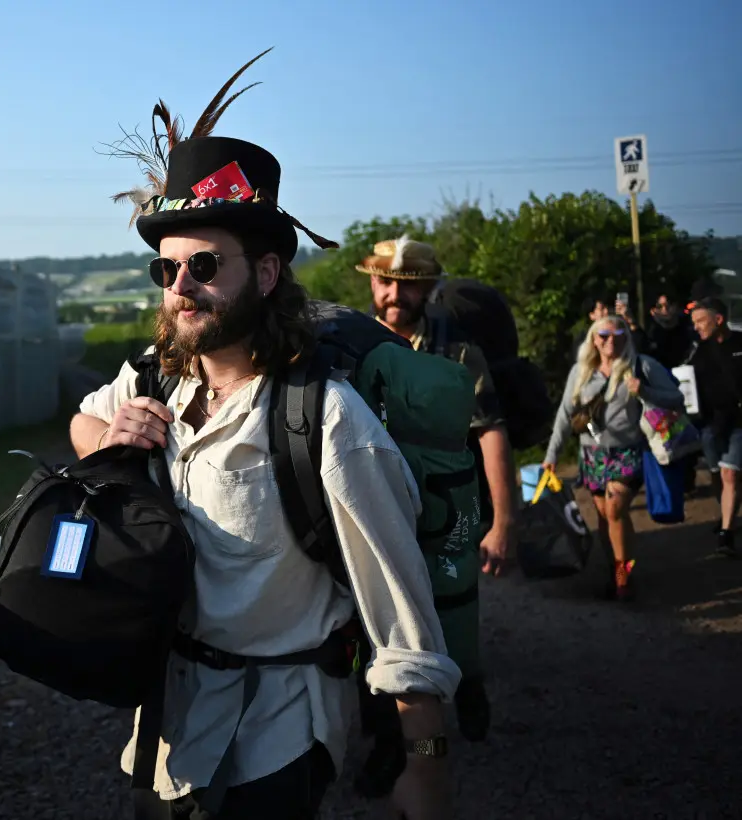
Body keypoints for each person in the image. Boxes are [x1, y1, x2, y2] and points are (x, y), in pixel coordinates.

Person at [79, 53, 458, 820]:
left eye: (205, 265)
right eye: (166, 269)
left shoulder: (329, 420)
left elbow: (404, 620)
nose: (179, 287)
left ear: (268, 272)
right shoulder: (161, 375)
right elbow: (85, 420)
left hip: (279, 729)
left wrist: (425, 769)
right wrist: (110, 438)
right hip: (173, 718)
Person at [362, 236, 513, 742]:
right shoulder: (356, 348)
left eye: (408, 286)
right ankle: (395, 746)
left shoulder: (458, 353)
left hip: (447, 509)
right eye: (385, 282)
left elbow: (489, 430)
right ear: (372, 281)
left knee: (455, 605)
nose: (394, 295)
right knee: (380, 625)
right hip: (378, 510)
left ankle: (469, 690)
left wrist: (503, 524)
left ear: (428, 288)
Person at [542, 315, 685, 600]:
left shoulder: (641, 365)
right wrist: (552, 455)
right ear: (593, 339)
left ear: (625, 337)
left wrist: (644, 390)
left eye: (617, 334)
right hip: (592, 454)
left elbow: (677, 397)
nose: (610, 340)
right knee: (606, 517)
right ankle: (616, 569)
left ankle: (622, 581)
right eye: (603, 335)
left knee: (616, 507)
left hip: (627, 451)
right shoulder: (581, 371)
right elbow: (564, 415)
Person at [688, 296, 742, 558]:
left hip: (739, 423)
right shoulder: (699, 351)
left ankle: (726, 535)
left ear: (718, 319)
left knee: (729, 475)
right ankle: (727, 515)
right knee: (720, 474)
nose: (696, 327)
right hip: (711, 427)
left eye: (700, 321)